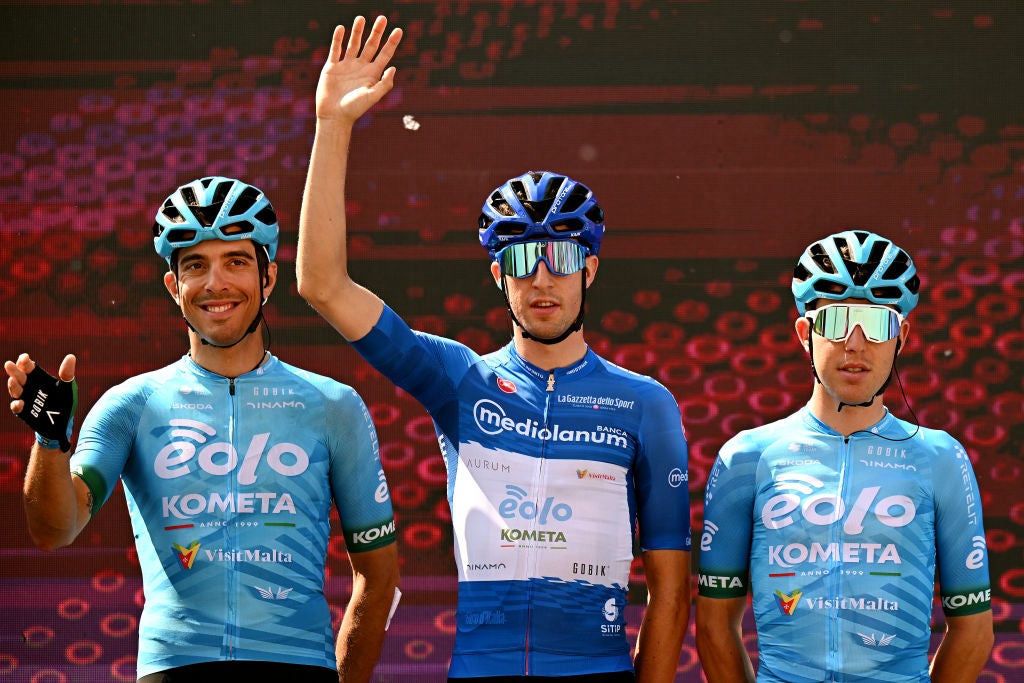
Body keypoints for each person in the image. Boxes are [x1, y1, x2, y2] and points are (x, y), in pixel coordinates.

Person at [295, 16, 691, 683]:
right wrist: (333, 128)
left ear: (590, 269)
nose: (543, 278)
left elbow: (670, 591)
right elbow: (322, 285)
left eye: (562, 257)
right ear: (498, 276)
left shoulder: (644, 403)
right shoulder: (459, 379)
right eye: (523, 260)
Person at [5, 175, 401, 683]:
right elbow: (55, 529)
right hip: (173, 667)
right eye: (195, 265)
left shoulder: (331, 404)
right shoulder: (131, 404)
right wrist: (51, 443)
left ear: (269, 278)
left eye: (236, 261)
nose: (216, 283)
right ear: (174, 286)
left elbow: (379, 573)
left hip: (299, 664)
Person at [695, 229, 994, 682]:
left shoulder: (940, 458)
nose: (855, 344)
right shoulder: (747, 457)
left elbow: (973, 629)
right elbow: (716, 627)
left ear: (902, 337)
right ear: (804, 333)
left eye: (876, 324)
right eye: (835, 321)